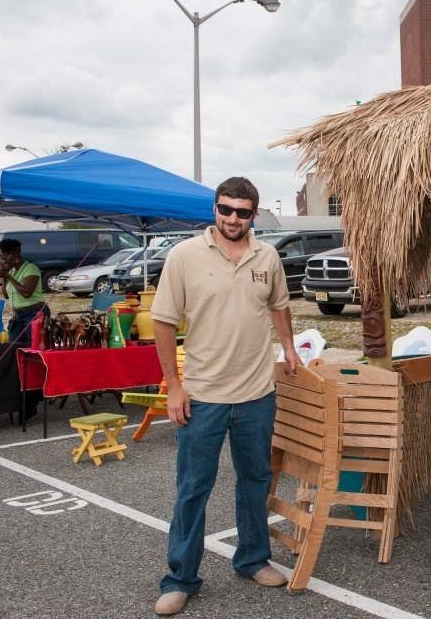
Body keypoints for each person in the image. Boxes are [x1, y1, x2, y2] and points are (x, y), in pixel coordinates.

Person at [150, 177, 299, 616]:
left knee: (255, 481)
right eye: (225, 209)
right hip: (204, 395)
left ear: (254, 214)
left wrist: (288, 345)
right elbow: (162, 323)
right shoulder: (184, 256)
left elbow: (278, 303)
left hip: (257, 393)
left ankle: (252, 559)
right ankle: (180, 578)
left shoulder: (267, 256)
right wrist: (174, 387)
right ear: (214, 209)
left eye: (242, 211)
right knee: (193, 488)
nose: (233, 218)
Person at [0, 238, 49, 346]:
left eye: (4, 256)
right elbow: (6, 295)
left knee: (32, 345)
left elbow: (26, 293)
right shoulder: (11, 270)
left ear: (15, 254)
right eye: (1, 256)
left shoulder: (31, 268)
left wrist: (9, 277)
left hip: (34, 313)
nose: (3, 259)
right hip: (19, 315)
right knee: (13, 346)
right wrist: (5, 277)